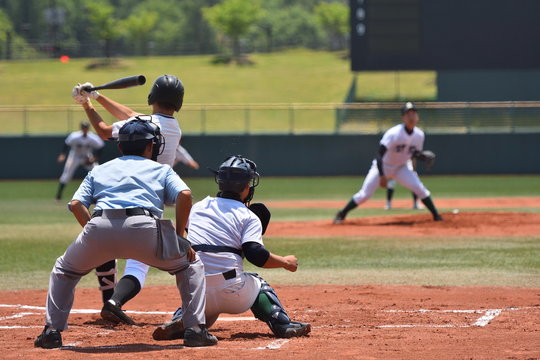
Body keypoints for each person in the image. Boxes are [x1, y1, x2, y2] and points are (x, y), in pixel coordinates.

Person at [34, 119, 217, 349]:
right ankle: (195, 330)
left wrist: (94, 234)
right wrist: (180, 237)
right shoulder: (161, 169)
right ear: (151, 146)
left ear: (120, 146)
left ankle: (51, 332)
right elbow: (185, 196)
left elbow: (75, 204)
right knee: (190, 266)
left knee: (65, 270)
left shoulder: (100, 169)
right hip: (145, 228)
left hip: (101, 224)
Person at [147, 155, 311, 340]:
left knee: (201, 311)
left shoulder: (198, 208)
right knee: (258, 283)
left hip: (197, 287)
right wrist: (285, 262)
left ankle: (182, 320)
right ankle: (282, 324)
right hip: (234, 291)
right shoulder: (248, 216)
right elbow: (255, 255)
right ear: (247, 186)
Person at [71, 75, 185, 313]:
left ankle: (107, 299)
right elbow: (132, 116)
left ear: (152, 96)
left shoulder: (143, 123)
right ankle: (115, 302)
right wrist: (97, 95)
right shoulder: (174, 127)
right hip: (150, 198)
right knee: (139, 262)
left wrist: (86, 104)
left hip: (117, 190)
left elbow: (104, 130)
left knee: (103, 241)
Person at [333, 102, 442, 224]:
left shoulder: (419, 135)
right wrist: (382, 175)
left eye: (413, 113)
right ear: (403, 118)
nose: (411, 117)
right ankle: (342, 214)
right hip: (384, 166)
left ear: (418, 116)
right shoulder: (394, 133)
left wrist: (422, 156)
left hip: (402, 167)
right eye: (408, 114)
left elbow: (413, 153)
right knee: (365, 194)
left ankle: (436, 216)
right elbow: (380, 155)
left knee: (418, 188)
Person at [55, 121, 104, 201]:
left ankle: (100, 195)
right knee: (66, 174)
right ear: (81, 128)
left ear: (88, 128)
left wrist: (96, 158)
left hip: (87, 156)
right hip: (75, 156)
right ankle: (58, 196)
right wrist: (63, 154)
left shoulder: (92, 137)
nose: (85, 129)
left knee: (97, 171)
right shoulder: (75, 136)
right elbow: (67, 144)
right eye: (83, 127)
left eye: (86, 128)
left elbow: (101, 146)